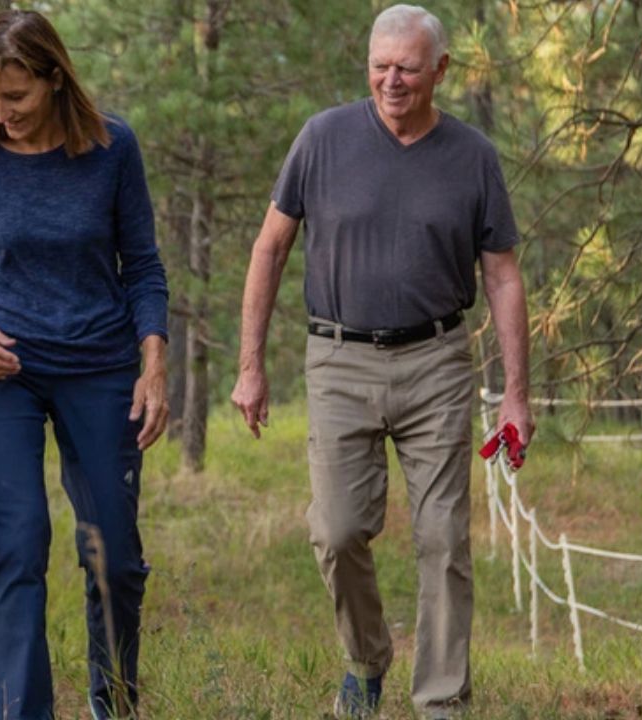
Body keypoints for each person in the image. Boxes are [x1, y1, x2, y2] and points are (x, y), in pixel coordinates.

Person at [230, 5, 534, 719]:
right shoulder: (323, 139)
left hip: (436, 361)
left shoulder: (471, 156)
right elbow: (269, 248)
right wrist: (251, 365)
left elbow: (504, 275)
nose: (391, 81)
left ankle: (441, 701)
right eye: (379, 66)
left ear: (441, 71)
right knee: (334, 531)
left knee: (442, 539)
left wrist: (516, 394)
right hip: (339, 361)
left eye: (406, 67)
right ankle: (366, 661)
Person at [0, 10, 168, 720]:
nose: (3, 112)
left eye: (17, 97)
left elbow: (142, 266)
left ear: (55, 78)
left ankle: (112, 703)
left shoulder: (113, 148)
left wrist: (154, 363)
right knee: (19, 543)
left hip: (102, 364)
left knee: (112, 555)